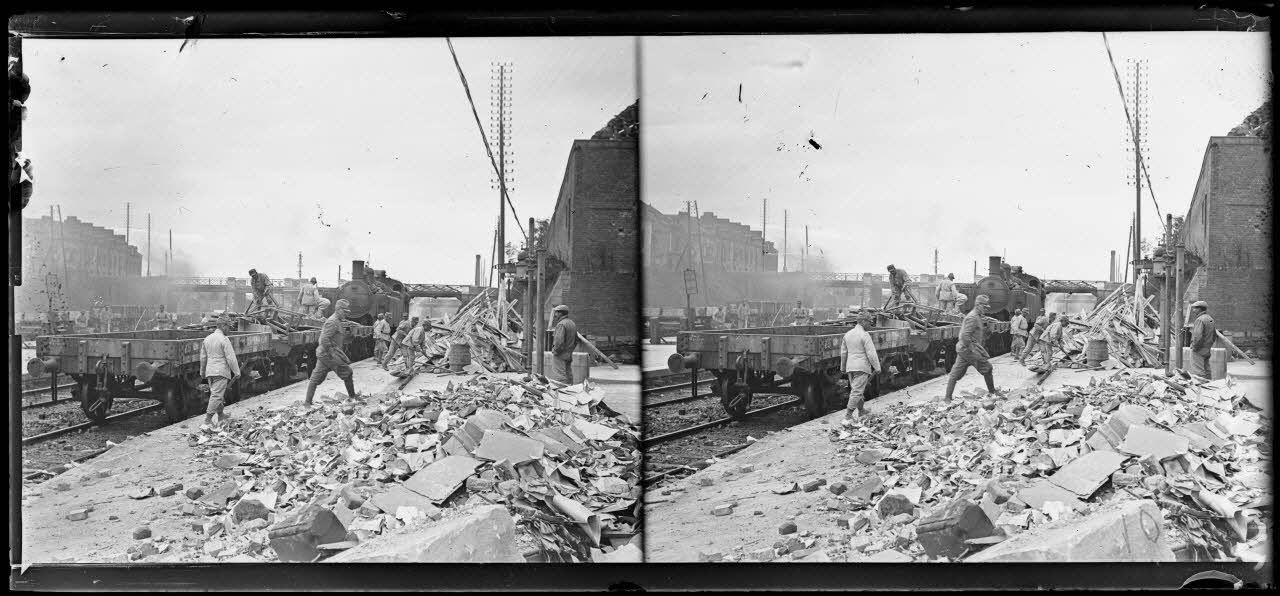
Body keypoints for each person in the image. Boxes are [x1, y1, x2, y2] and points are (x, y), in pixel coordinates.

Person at [302, 298, 359, 407]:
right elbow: (324, 339)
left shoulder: (337, 321)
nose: (346, 315)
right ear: (339, 310)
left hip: (325, 353)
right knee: (348, 372)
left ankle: (307, 402)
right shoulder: (332, 322)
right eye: (345, 312)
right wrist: (332, 353)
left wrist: (351, 335)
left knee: (315, 378)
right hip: (328, 353)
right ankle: (352, 397)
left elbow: (338, 338)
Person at [944, 294, 1000, 401]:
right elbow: (965, 336)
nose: (985, 309)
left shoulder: (976, 316)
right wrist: (973, 351)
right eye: (984, 307)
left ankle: (947, 398)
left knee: (955, 374)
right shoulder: (973, 317)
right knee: (988, 368)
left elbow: (975, 334)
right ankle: (992, 392)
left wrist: (987, 331)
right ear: (978, 305)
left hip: (964, 349)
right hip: (968, 349)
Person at [199, 317, 240, 431]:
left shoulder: (207, 339)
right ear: (223, 326)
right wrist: (236, 372)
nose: (229, 329)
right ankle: (207, 421)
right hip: (221, 371)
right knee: (216, 395)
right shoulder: (224, 339)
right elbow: (230, 357)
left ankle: (221, 415)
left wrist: (202, 372)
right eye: (228, 327)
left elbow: (203, 358)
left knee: (217, 393)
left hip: (210, 371)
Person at [840, 312, 881, 425]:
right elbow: (871, 353)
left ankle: (861, 410)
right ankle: (848, 416)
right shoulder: (864, 335)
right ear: (863, 322)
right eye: (869, 322)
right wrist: (877, 367)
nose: (870, 325)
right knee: (857, 391)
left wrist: (842, 367)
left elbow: (843, 352)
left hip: (850, 367)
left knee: (857, 390)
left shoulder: (848, 334)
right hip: (861, 367)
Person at [550, 305, 579, 384]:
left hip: (560, 354)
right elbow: (576, 340)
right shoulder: (571, 323)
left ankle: (562, 392)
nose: (555, 315)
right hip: (568, 353)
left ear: (560, 313)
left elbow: (559, 341)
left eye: (556, 313)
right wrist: (570, 350)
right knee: (568, 373)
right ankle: (570, 390)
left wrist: (556, 351)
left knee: (560, 375)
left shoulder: (561, 324)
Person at [1188, 301, 1216, 377]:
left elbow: (1197, 336)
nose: (1193, 310)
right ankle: (1209, 385)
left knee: (1198, 371)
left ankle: (1201, 386)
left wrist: (1194, 347)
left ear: (1199, 309)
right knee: (1207, 369)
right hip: (1207, 349)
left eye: (1194, 308)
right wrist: (1208, 346)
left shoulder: (1200, 320)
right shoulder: (1210, 319)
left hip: (1199, 349)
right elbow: (1214, 335)